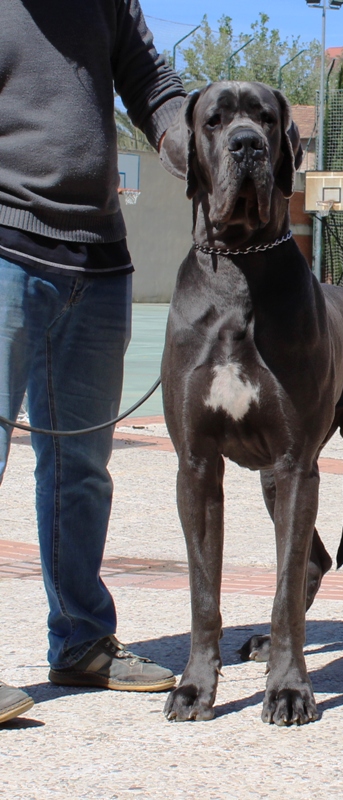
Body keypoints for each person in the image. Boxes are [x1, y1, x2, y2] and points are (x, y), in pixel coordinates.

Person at [0, 0, 187, 724]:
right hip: (7, 245)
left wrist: (187, 136)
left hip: (99, 259)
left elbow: (148, 78)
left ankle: (82, 641)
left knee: (81, 468)